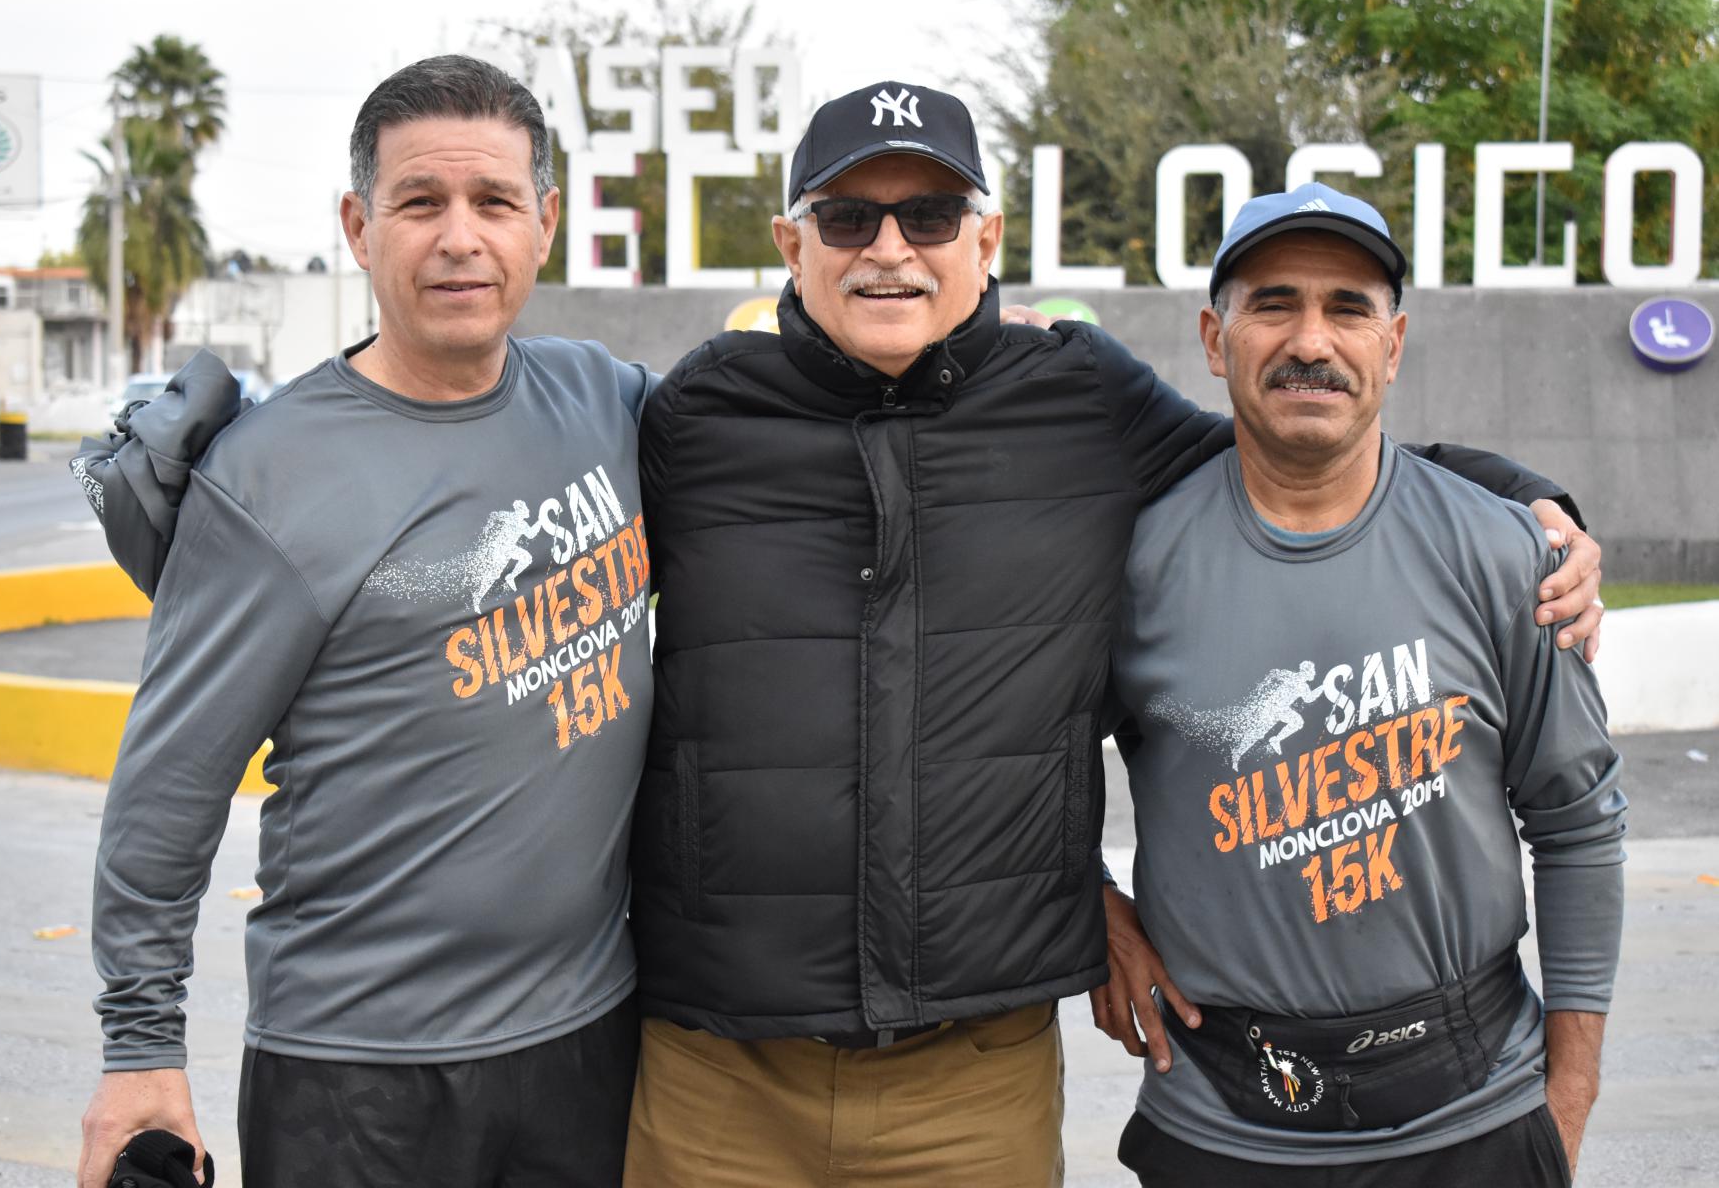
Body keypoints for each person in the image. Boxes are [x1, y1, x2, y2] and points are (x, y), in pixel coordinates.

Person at [620, 84, 1604, 1185]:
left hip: (971, 1066)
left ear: (985, 239)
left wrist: (1524, 506)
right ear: (789, 242)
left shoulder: (1080, 396)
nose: (889, 248)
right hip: (715, 1066)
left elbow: (1293, 440)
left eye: (931, 215)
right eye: (849, 216)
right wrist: (1089, 893)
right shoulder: (690, 419)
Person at [73, 56, 655, 1188]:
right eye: (418, 202)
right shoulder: (269, 479)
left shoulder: (604, 399)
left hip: (592, 1036)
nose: (458, 238)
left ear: (543, 223)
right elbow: (167, 790)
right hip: (358, 1071)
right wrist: (140, 1049)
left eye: (492, 203)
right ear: (357, 223)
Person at [1092, 185, 1626, 1187]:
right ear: (1215, 338)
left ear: (1393, 343)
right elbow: (1005, 761)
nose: (1310, 339)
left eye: (1347, 308)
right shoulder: (1130, 567)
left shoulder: (1509, 553)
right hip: (1218, 1126)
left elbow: (1579, 821)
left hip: (1478, 1119)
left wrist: (1569, 1097)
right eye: (1273, 303)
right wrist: (1092, 901)